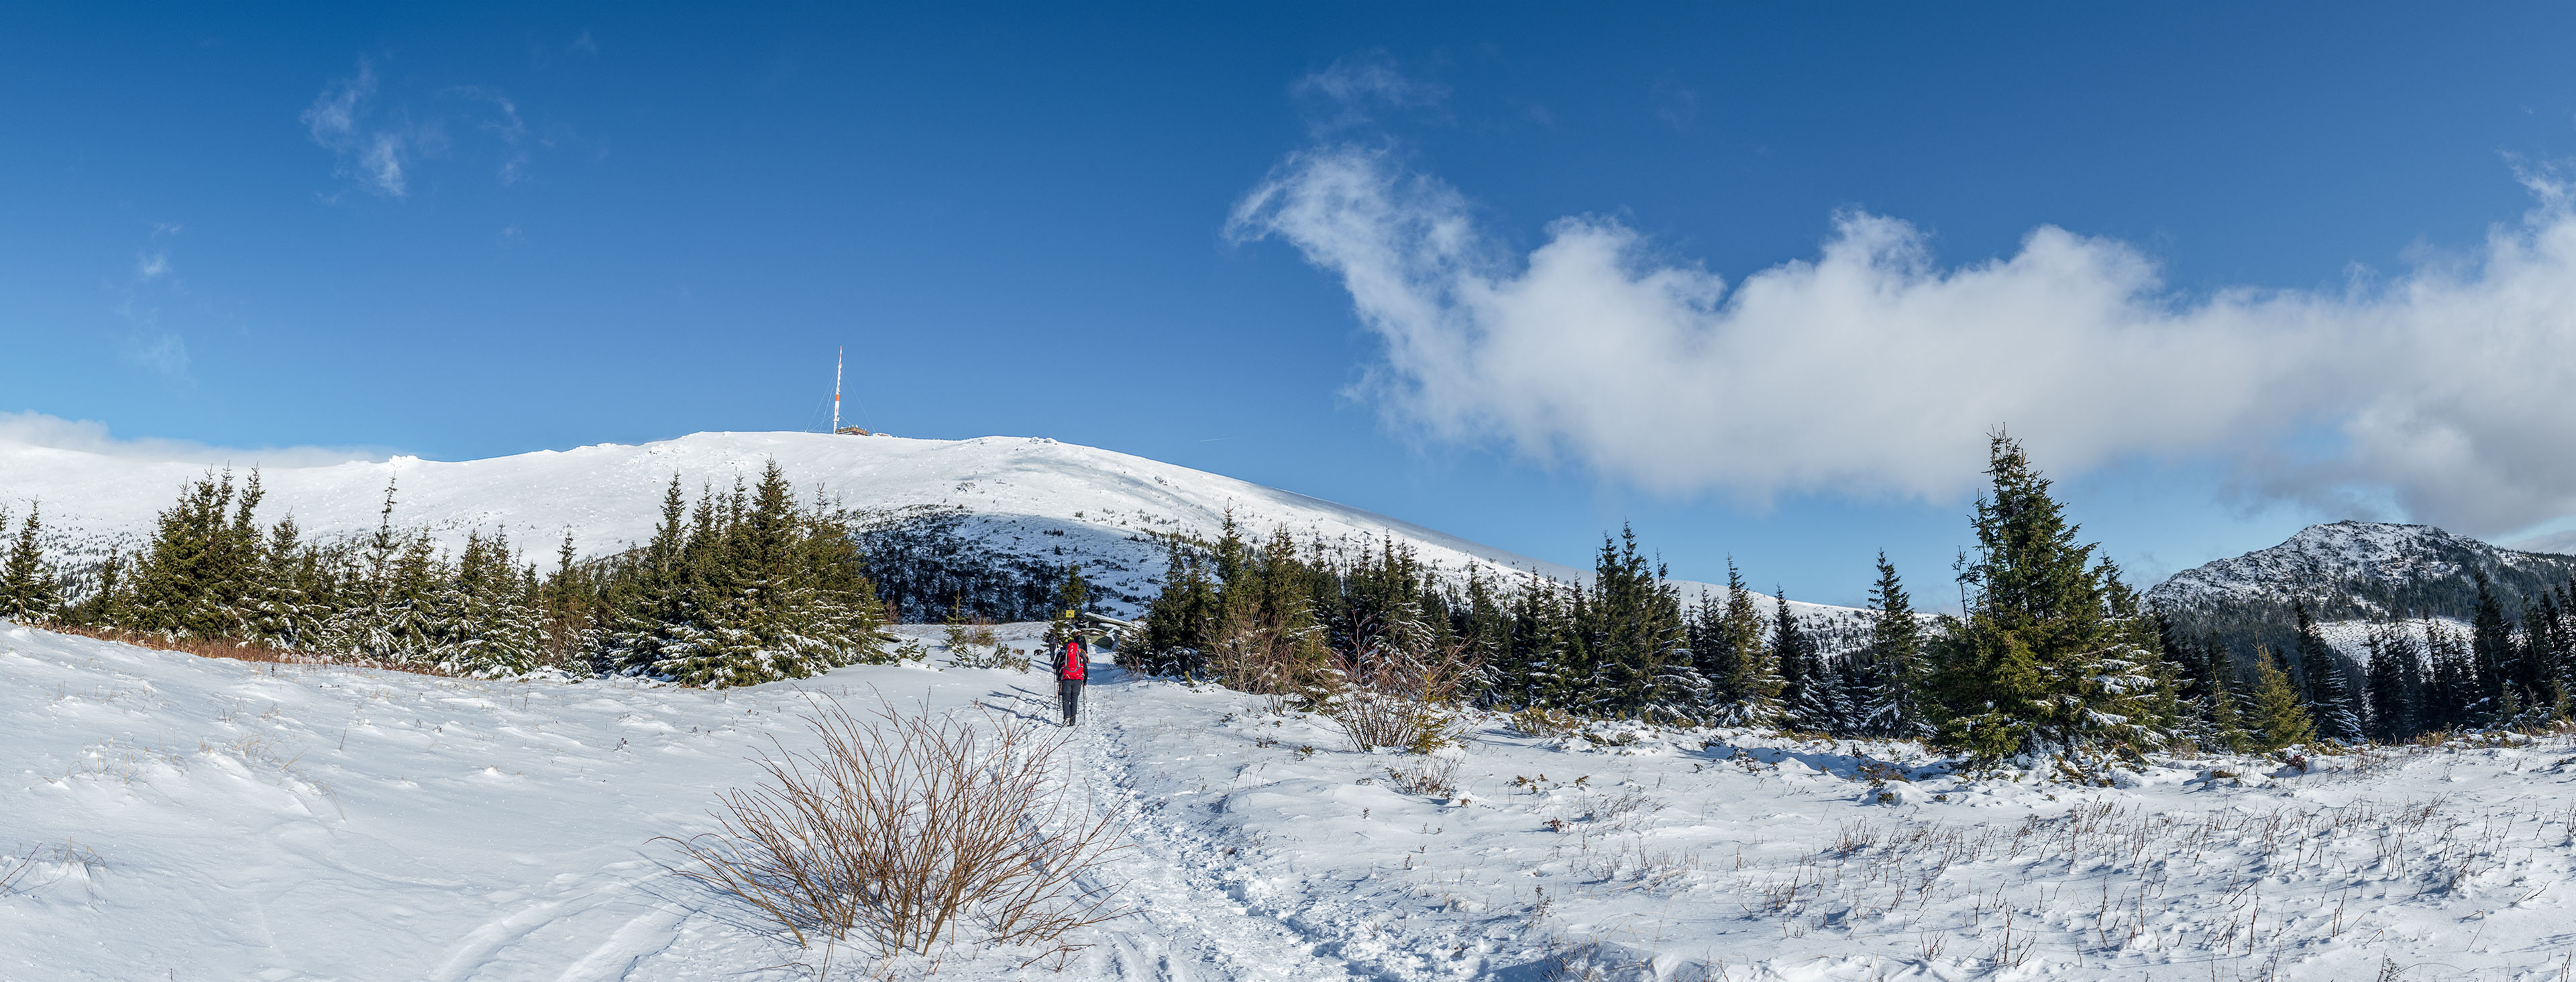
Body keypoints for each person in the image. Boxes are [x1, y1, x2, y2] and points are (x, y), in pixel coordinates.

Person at [1053, 633, 1087, 726]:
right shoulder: (1080, 654)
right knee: (1075, 700)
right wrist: (1085, 681)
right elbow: (1085, 668)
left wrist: (1059, 678)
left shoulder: (1063, 654)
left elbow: (1057, 666)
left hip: (1066, 679)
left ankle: (1067, 716)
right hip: (1078, 679)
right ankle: (1073, 720)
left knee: (1066, 699)